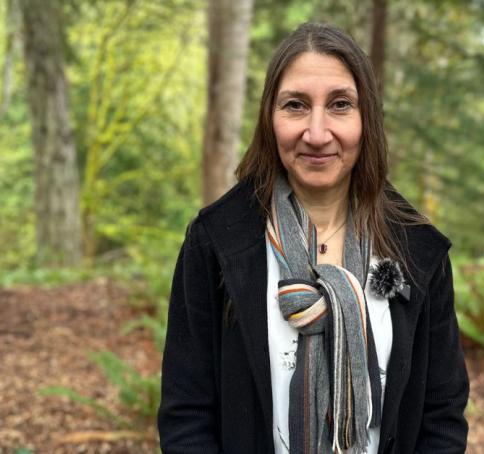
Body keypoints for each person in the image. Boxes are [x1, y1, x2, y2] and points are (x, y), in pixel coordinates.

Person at [157, 23, 468, 454]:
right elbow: (187, 415)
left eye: (340, 105)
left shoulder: (416, 251)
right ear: (270, 118)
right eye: (296, 106)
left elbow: (442, 416)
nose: (317, 133)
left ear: (366, 119)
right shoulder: (217, 244)